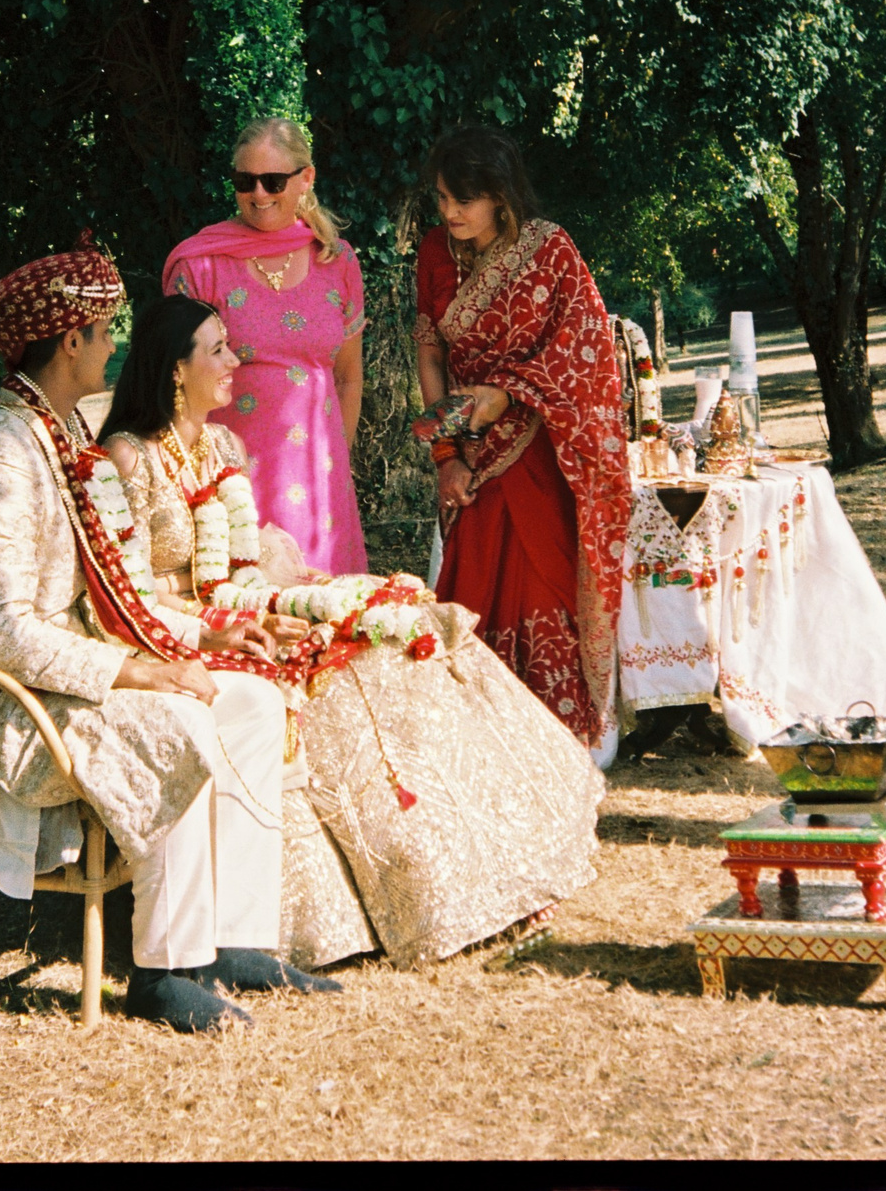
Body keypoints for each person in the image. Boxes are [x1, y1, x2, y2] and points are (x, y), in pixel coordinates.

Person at [100, 293, 603, 968]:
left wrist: (286, 605)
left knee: (401, 635)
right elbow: (127, 593)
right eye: (217, 349)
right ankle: (400, 891)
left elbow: (241, 569)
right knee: (340, 679)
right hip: (179, 639)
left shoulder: (220, 446)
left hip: (241, 611)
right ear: (173, 371)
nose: (235, 359)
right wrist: (231, 625)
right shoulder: (126, 458)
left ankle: (490, 858)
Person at [0, 236, 339, 1031]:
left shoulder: (62, 432)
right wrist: (141, 672)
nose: (115, 344)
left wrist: (208, 641)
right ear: (69, 340)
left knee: (246, 700)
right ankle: (165, 969)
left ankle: (232, 936)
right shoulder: (3, 454)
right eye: (105, 330)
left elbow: (119, 593)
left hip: (61, 672)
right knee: (176, 714)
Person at [414, 126, 632, 747]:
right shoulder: (435, 252)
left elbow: (584, 350)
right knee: (472, 585)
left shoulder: (552, 250)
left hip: (541, 447)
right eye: (442, 200)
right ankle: (482, 740)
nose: (451, 213)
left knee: (542, 581)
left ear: (501, 194)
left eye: (464, 199)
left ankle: (561, 739)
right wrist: (446, 453)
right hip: (472, 449)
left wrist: (508, 395)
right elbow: (431, 359)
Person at [161, 116, 368, 575]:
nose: (258, 193)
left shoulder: (337, 260)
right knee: (248, 617)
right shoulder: (201, 265)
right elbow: (173, 382)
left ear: (305, 178)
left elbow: (349, 376)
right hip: (232, 477)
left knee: (326, 621)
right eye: (244, 181)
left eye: (273, 180)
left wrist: (337, 460)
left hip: (321, 484)